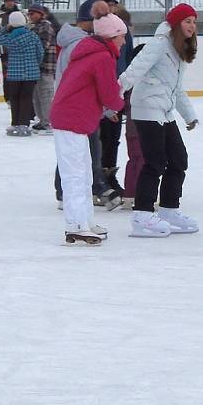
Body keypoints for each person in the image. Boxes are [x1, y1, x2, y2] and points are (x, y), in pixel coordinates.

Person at [119, 3, 199, 238]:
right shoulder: (159, 44)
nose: (192, 26)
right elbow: (135, 70)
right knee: (154, 162)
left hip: (164, 110)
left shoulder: (179, 50)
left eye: (194, 22)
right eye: (187, 21)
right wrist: (114, 96)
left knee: (178, 159)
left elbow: (177, 88)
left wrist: (189, 114)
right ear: (175, 24)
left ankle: (169, 209)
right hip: (146, 109)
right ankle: (142, 215)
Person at [50, 14, 127, 245]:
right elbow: (108, 94)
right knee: (75, 174)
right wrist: (119, 102)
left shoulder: (93, 53)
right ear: (113, 36)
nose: (124, 42)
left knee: (83, 173)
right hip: (70, 119)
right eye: (122, 37)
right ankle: (75, 225)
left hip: (77, 119)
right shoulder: (101, 57)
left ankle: (85, 221)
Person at [99, 4, 134, 193]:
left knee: (110, 139)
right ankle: (101, 181)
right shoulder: (100, 42)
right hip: (105, 97)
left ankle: (107, 179)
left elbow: (127, 65)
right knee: (104, 139)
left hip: (116, 94)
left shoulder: (124, 35)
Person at [0, 11, 44, 136]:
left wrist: (6, 28)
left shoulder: (10, 38)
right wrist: (35, 64)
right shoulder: (33, 36)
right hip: (31, 73)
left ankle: (15, 123)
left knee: (15, 98)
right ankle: (24, 124)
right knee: (26, 98)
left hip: (14, 74)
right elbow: (40, 53)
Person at [121, 44, 146, 209]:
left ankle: (130, 194)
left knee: (134, 160)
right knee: (142, 161)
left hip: (131, 128)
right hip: (140, 128)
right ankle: (138, 194)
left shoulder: (131, 79)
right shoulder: (141, 80)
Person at [27, 3, 57, 134]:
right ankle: (42, 120)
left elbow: (42, 46)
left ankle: (48, 122)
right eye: (29, 14)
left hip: (45, 66)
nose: (30, 16)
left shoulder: (46, 26)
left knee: (46, 95)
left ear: (40, 14)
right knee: (37, 96)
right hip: (35, 68)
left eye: (32, 14)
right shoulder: (33, 28)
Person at [0, 0, 19, 104]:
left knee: (18, 74)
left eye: (11, 1)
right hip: (5, 51)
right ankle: (8, 98)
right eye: (7, 1)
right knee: (7, 75)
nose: (9, 3)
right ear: (4, 2)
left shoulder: (20, 14)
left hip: (19, 50)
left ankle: (17, 96)